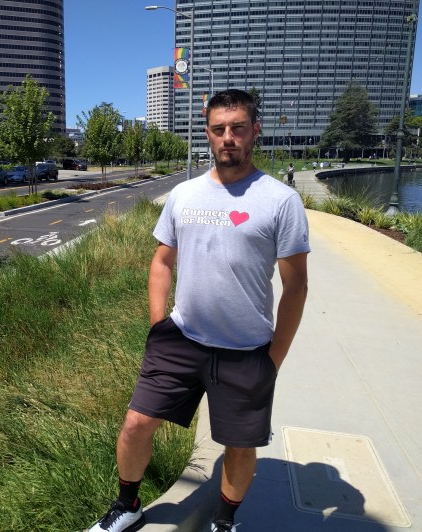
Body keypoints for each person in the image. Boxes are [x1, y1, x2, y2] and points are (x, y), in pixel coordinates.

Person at [88, 89, 309, 532]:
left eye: (238, 128)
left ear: (255, 131)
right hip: (181, 340)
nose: (228, 137)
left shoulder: (281, 201)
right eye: (219, 129)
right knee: (135, 424)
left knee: (239, 446)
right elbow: (161, 261)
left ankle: (224, 521)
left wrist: (274, 358)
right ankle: (127, 504)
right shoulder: (183, 195)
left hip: (247, 350)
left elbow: (296, 285)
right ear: (207, 134)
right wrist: (158, 326)